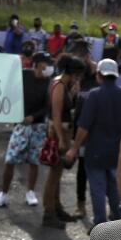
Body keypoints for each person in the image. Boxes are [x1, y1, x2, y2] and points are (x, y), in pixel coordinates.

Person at [70, 58, 121, 225]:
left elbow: (83, 127)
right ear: (116, 75)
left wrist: (74, 148)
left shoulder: (93, 95)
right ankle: (116, 215)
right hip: (118, 152)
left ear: (99, 75)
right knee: (115, 186)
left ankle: (99, 224)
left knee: (97, 189)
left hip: (95, 152)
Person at [0, 52, 51, 208]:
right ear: (38, 64)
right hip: (20, 125)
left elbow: (48, 106)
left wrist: (34, 116)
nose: (49, 67)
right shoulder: (24, 75)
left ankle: (30, 192)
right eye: (46, 64)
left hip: (38, 127)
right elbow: (10, 91)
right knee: (10, 160)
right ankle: (3, 193)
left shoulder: (49, 82)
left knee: (34, 161)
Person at [39, 54, 87, 229]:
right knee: (53, 176)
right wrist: (60, 139)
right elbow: (57, 116)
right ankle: (48, 212)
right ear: (72, 72)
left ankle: (56, 207)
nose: (79, 78)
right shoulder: (59, 86)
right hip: (59, 133)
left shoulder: (64, 85)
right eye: (78, 74)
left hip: (63, 132)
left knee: (57, 175)